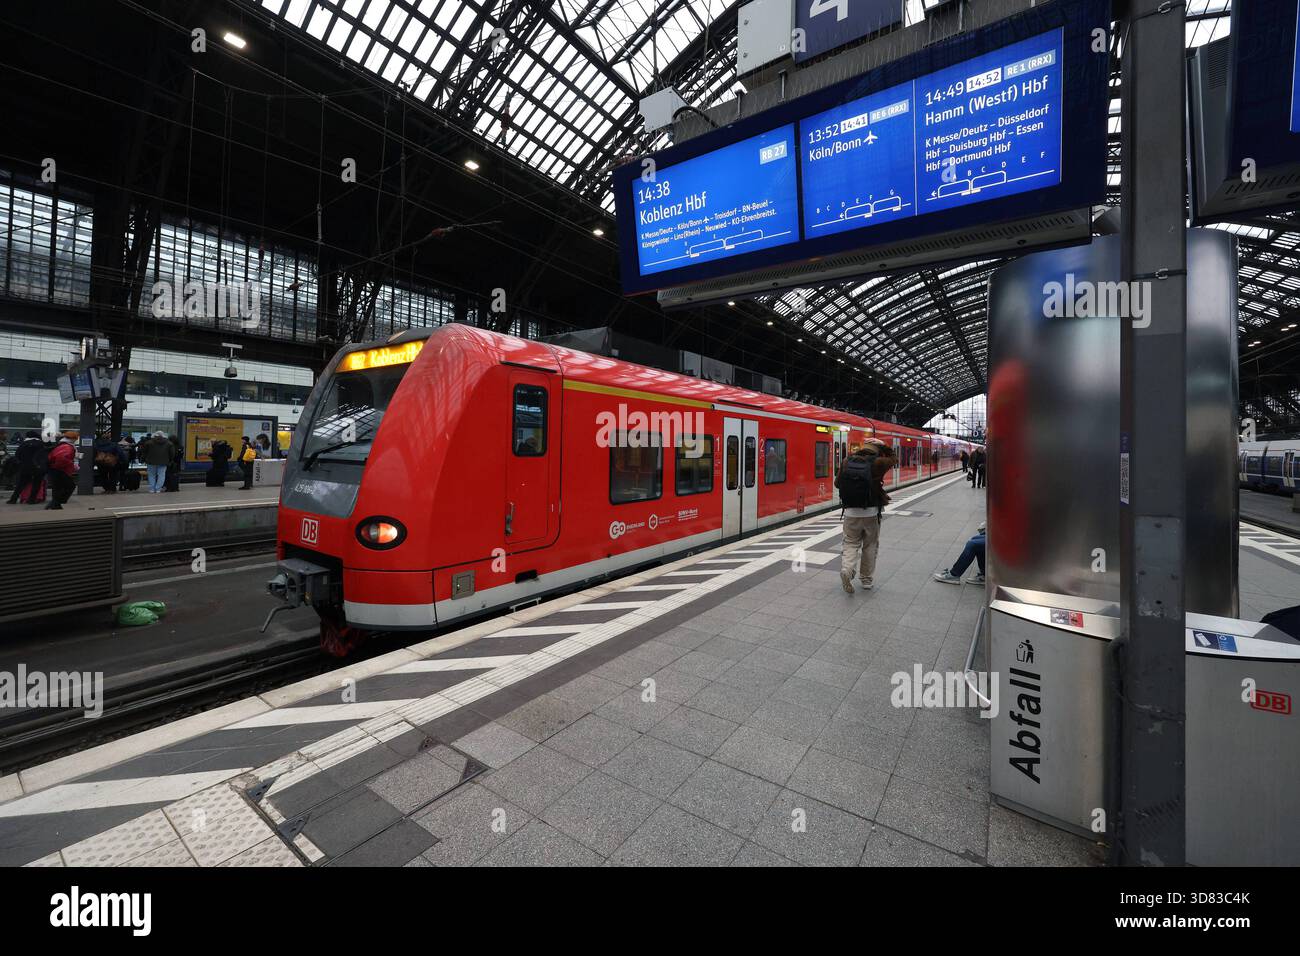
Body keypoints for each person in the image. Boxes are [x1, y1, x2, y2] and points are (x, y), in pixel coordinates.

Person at [835, 437, 896, 594]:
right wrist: (884, 446)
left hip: (850, 511)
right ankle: (866, 580)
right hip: (871, 511)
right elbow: (893, 459)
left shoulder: (847, 461)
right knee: (870, 545)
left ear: (863, 447)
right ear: (877, 449)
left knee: (850, 542)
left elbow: (837, 483)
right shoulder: (878, 463)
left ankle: (847, 570)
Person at [7, 431, 48, 505]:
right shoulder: (41, 444)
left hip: (25, 467)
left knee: (21, 484)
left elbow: (17, 455)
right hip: (38, 467)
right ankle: (31, 499)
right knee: (36, 484)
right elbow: (44, 456)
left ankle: (13, 499)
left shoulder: (23, 444)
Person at [44, 432, 78, 510]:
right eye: (75, 438)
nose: (76, 440)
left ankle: (55, 505)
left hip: (54, 469)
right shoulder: (68, 447)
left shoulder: (61, 444)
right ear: (72, 438)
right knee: (70, 486)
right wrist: (71, 463)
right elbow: (62, 458)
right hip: (60, 470)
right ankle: (55, 503)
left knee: (57, 488)